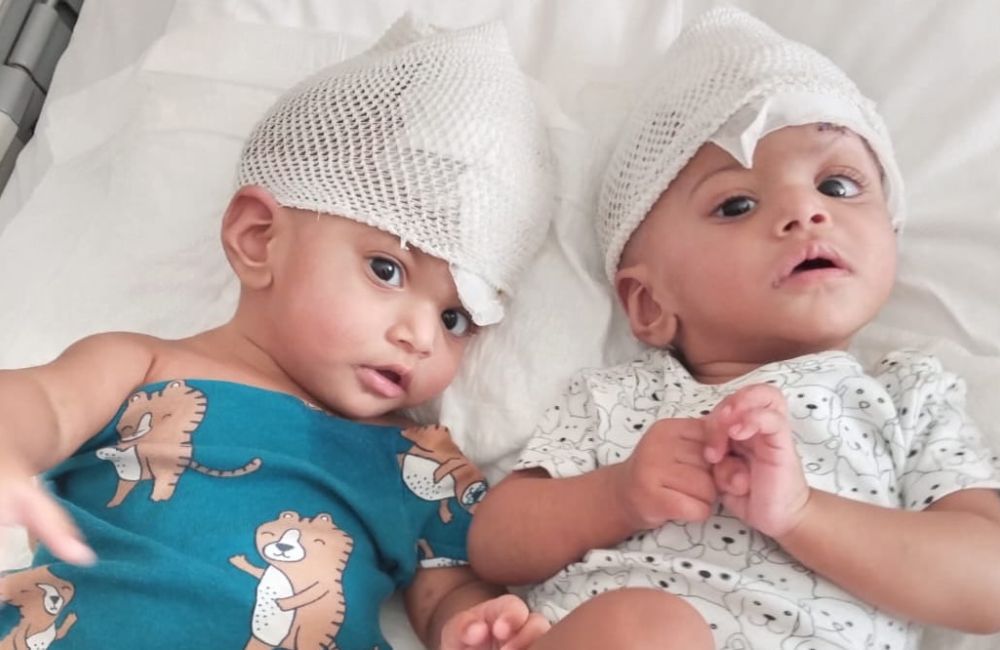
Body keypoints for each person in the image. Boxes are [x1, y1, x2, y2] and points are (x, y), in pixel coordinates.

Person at [0, 17, 554, 650]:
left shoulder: (421, 459)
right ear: (259, 239)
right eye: (386, 269)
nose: (420, 335)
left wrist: (472, 624)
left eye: (454, 319)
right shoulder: (141, 366)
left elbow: (450, 585)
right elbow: (38, 403)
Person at [468, 7, 1000, 650]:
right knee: (645, 628)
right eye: (737, 205)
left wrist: (803, 514)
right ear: (647, 304)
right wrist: (619, 494)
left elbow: (987, 583)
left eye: (837, 185)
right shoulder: (619, 399)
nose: (806, 211)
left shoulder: (909, 397)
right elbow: (494, 545)